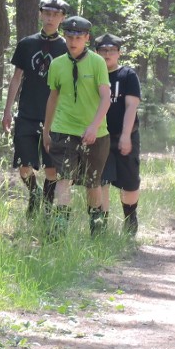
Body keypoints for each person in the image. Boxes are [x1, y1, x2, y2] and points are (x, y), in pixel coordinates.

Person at [43, 15, 111, 237]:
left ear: (87, 38)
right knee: (64, 178)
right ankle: (60, 229)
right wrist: (47, 130)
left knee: (93, 183)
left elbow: (105, 98)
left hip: (95, 133)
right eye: (70, 36)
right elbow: (53, 98)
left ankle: (97, 227)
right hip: (64, 129)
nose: (73, 41)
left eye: (79, 37)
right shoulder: (57, 64)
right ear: (64, 36)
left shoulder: (97, 62)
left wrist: (93, 126)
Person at [2, 0, 70, 214]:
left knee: (52, 170)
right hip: (27, 113)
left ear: (62, 18)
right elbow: (16, 78)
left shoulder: (67, 47)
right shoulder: (27, 43)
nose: (51, 18)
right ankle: (34, 194)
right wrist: (8, 110)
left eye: (56, 15)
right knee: (24, 167)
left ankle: (47, 210)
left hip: (56, 117)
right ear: (41, 14)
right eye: (47, 13)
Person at [95, 33, 142, 236]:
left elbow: (131, 106)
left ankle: (130, 220)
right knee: (101, 182)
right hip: (100, 137)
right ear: (96, 52)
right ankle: (101, 227)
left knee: (129, 183)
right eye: (103, 50)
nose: (107, 54)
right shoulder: (93, 75)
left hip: (125, 136)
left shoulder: (127, 75)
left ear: (119, 53)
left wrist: (125, 136)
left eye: (111, 50)